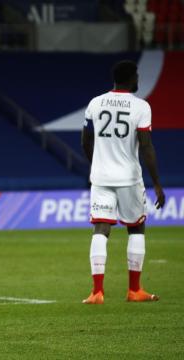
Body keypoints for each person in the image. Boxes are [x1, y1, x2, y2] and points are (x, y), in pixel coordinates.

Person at [81, 60, 165, 305]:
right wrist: (157, 183)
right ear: (131, 78)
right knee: (136, 228)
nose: (138, 79)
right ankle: (134, 290)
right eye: (137, 75)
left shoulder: (95, 103)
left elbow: (85, 141)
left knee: (101, 229)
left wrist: (96, 163)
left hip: (101, 177)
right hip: (129, 178)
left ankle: (97, 292)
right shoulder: (141, 106)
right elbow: (146, 146)